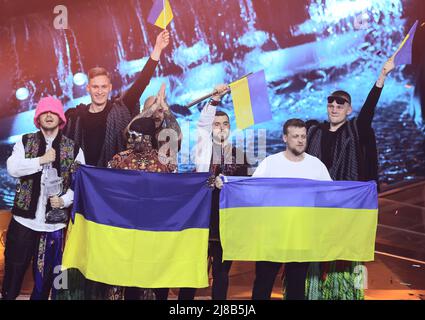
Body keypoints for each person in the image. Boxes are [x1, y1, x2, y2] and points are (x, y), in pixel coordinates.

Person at [304, 56, 395, 300]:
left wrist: (382, 77)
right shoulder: (314, 132)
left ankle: (344, 293)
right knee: (316, 251)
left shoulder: (356, 130)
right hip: (318, 203)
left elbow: (369, 110)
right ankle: (313, 293)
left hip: (346, 204)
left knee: (344, 250)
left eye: (340, 105)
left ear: (348, 109)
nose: (334, 108)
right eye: (331, 104)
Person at [1, 97, 84, 300]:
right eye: (44, 112)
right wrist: (41, 160)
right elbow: (12, 168)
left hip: (52, 227)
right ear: (38, 117)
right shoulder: (24, 141)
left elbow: (79, 184)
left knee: (46, 279)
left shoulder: (73, 148)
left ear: (60, 118)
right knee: (13, 271)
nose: (49, 115)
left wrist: (64, 201)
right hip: (23, 221)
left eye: (53, 112)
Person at [248, 118, 331, 300]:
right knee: (263, 284)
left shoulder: (316, 165)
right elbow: (251, 190)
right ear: (285, 138)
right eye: (295, 136)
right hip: (272, 236)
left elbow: (330, 196)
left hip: (301, 236)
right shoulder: (270, 163)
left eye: (303, 136)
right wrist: (228, 184)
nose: (301, 140)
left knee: (296, 288)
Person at [63, 30, 170, 167]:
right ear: (88, 88)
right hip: (86, 178)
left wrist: (157, 48)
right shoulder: (75, 117)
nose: (100, 91)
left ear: (110, 87)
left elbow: (142, 81)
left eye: (103, 87)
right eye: (95, 87)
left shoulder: (121, 108)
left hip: (115, 175)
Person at [194, 84, 250, 300]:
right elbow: (202, 124)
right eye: (216, 124)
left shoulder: (240, 156)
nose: (221, 128)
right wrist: (215, 100)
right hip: (201, 221)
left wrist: (228, 185)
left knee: (221, 274)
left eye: (225, 124)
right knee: (192, 273)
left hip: (226, 224)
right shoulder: (202, 150)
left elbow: (245, 190)